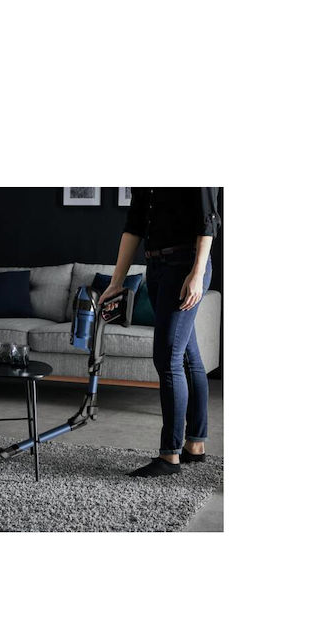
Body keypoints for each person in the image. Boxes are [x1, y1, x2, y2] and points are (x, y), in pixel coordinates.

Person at [98, 188, 221, 477]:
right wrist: (117, 282)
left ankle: (170, 455)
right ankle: (195, 444)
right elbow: (134, 226)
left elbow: (208, 221)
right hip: (155, 267)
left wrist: (197, 274)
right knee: (188, 355)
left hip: (185, 266)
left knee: (167, 358)